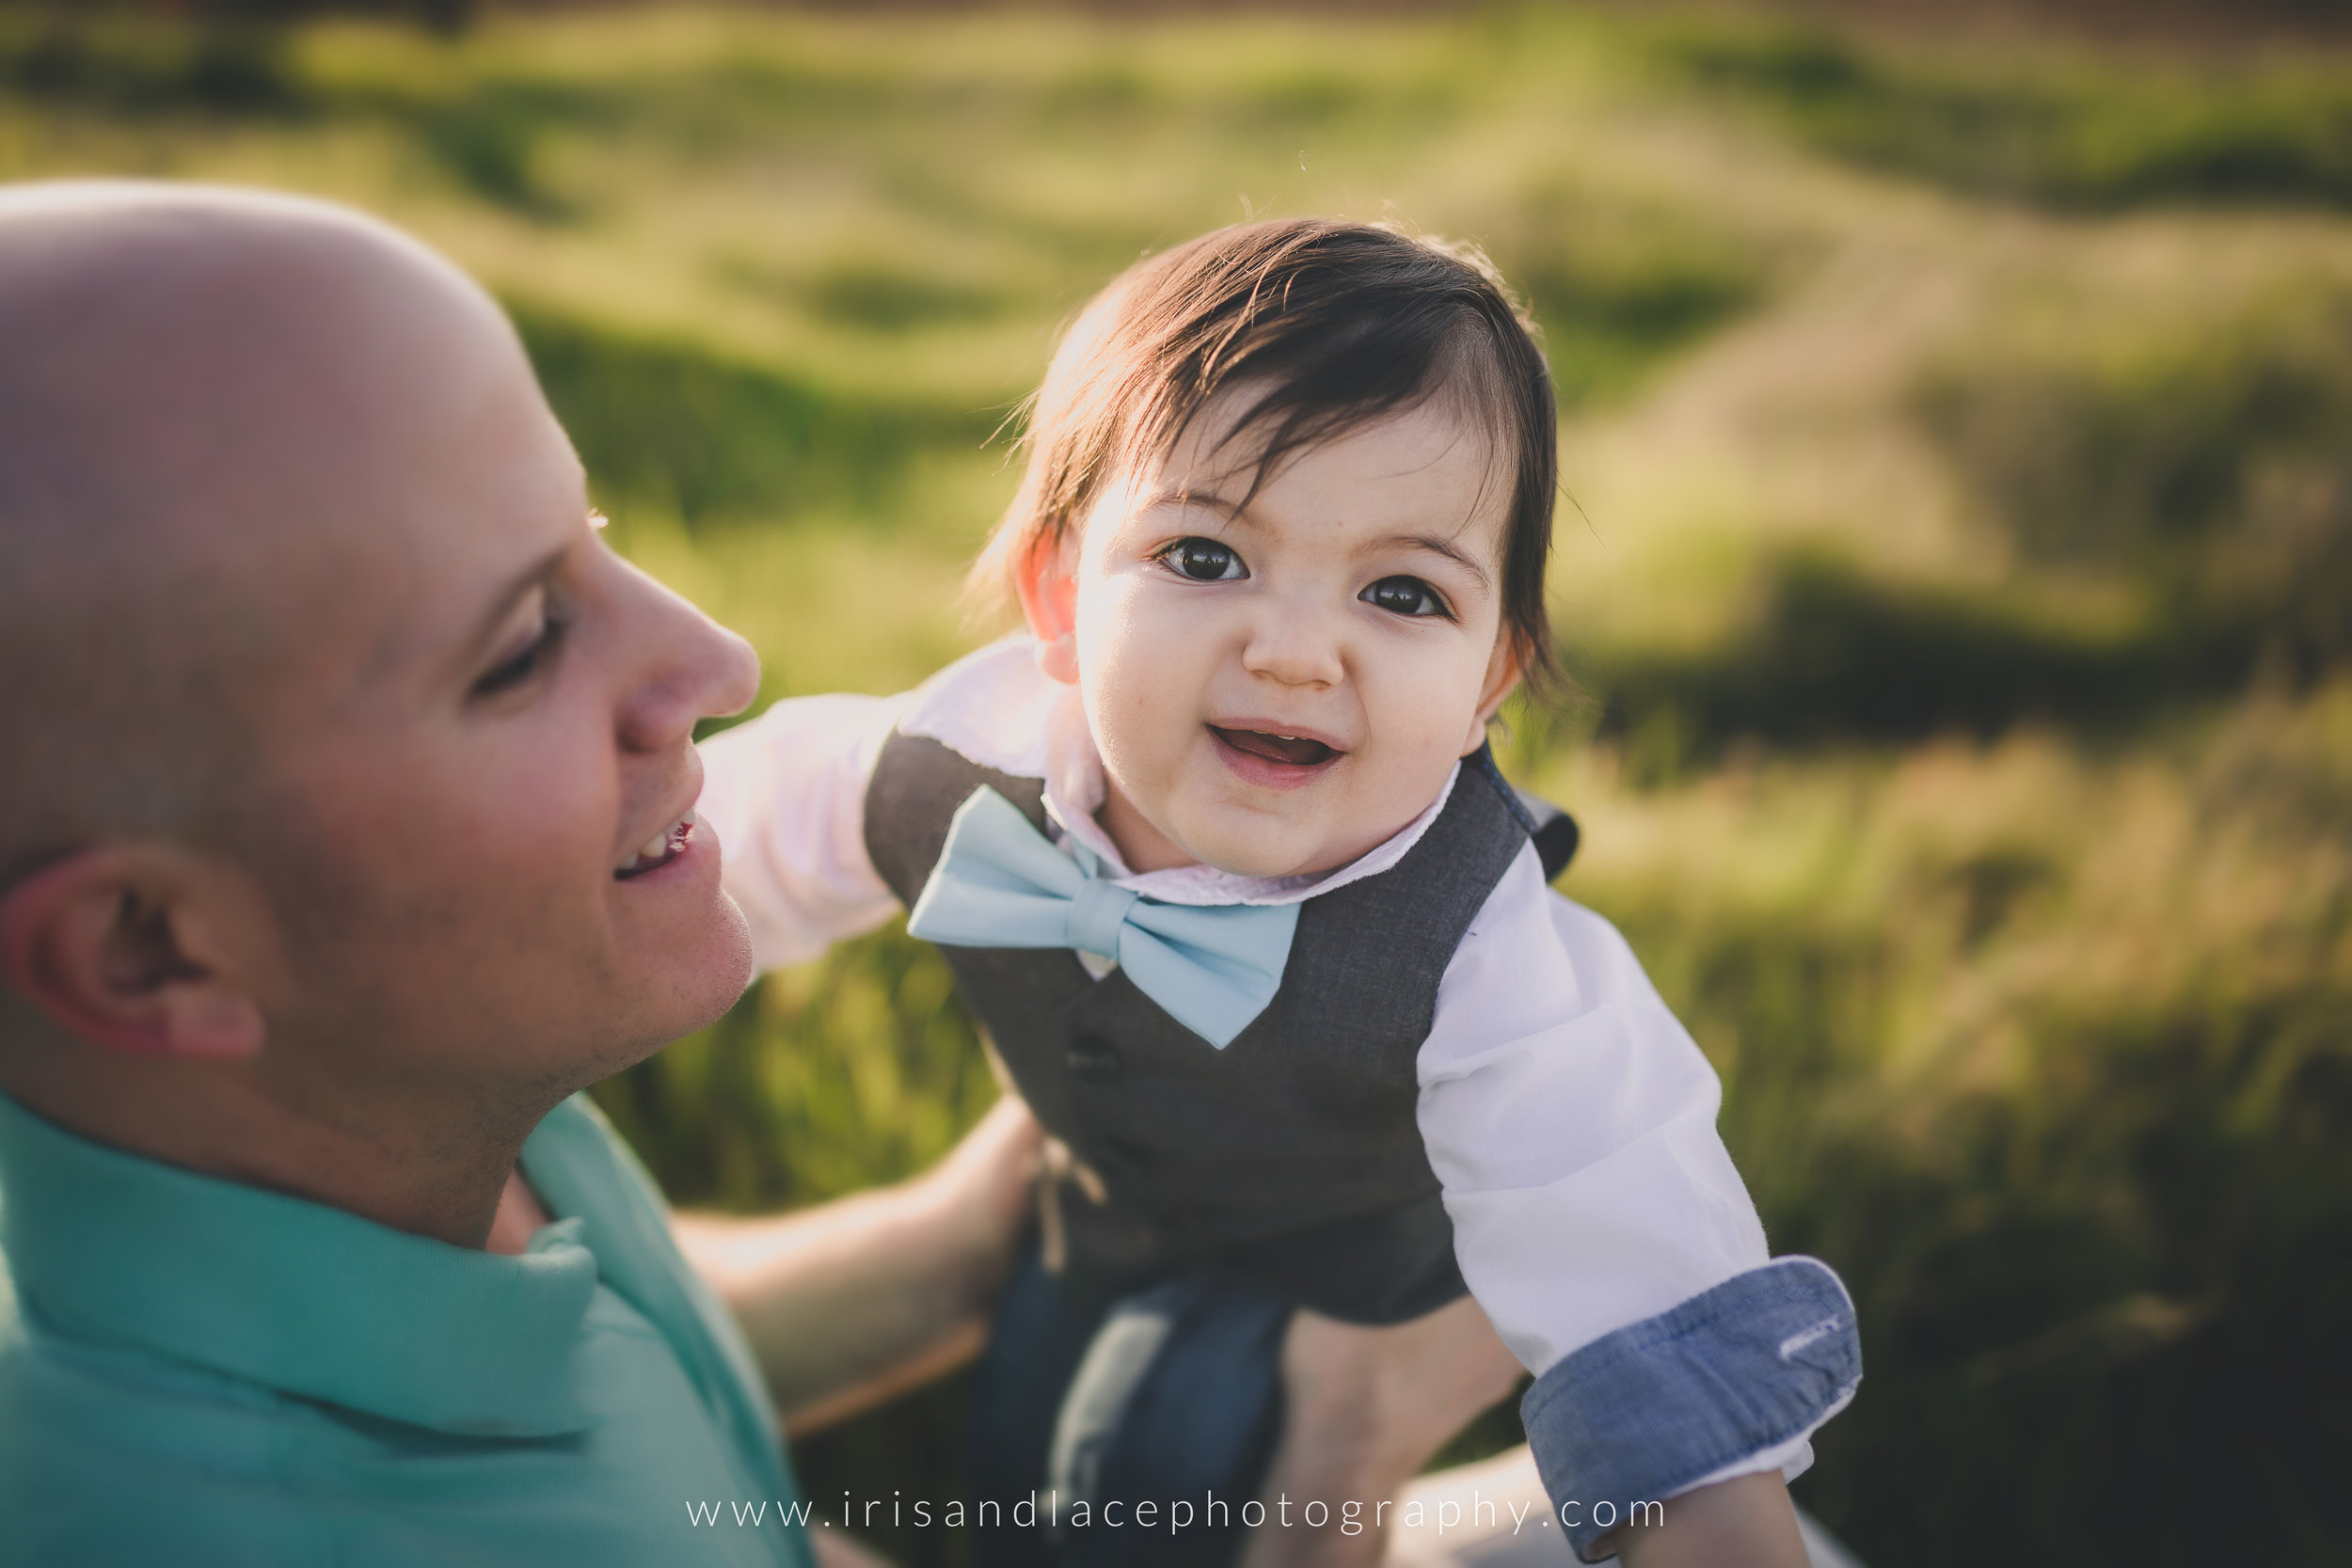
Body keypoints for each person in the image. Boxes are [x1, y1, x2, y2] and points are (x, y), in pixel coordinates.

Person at [0, 183, 1510, 1568]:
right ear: (151, 952)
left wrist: (974, 1230)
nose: (716, 662)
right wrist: (1339, 1458)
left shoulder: (361, 1129)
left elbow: (610, 1352)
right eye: (522, 647)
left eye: (595, 540)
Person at [698, 218, 1862, 1567]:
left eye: (1403, 592)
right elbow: (693, 852)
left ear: (1491, 681)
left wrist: (1716, 1528)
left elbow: (1639, 1257)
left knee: (1188, 1490)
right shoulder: (933, 768)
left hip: (1364, 1305)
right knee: (1038, 1488)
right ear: (1062, 598)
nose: (1299, 652)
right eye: (1206, 558)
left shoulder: (1486, 951)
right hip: (1089, 1238)